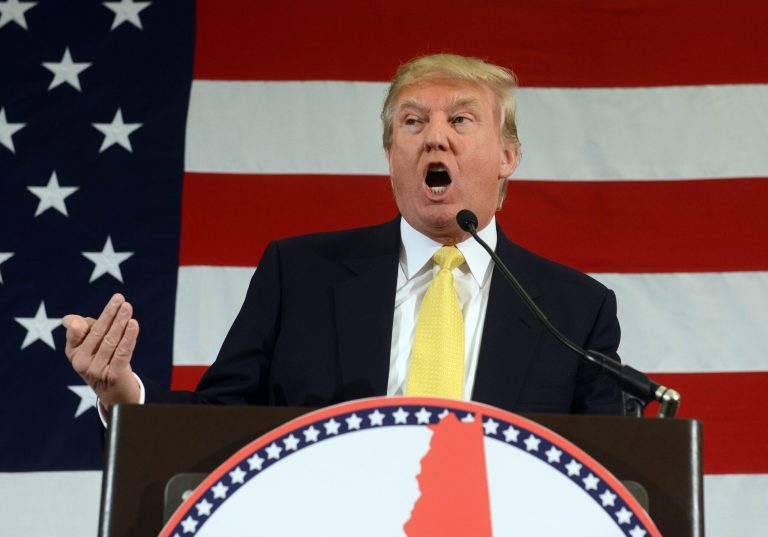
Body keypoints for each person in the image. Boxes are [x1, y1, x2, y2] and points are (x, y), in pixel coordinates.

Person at [63, 53, 623, 417]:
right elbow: (221, 422)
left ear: (508, 156)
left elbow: (609, 467)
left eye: (459, 120)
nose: (434, 139)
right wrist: (124, 395)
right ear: (389, 156)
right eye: (412, 122)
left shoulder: (576, 312)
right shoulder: (299, 274)